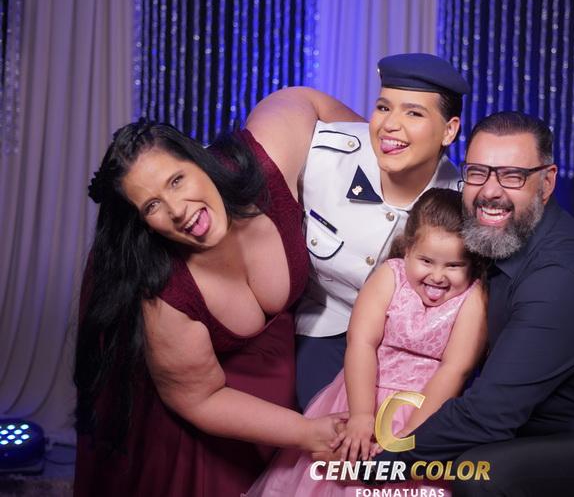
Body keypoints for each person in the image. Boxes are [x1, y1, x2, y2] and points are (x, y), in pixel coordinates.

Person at [73, 91, 360, 497]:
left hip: (285, 373)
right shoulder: (166, 293)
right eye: (152, 205)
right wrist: (307, 432)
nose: (177, 209)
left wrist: (396, 175)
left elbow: (306, 101)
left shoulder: (266, 165)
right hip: (210, 412)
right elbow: (200, 398)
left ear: (199, 158)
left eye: (177, 180)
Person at [373, 112, 574, 496]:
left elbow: (488, 414)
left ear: (547, 182)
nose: (490, 191)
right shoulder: (493, 238)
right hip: (531, 429)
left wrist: (383, 464)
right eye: (478, 173)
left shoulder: (557, 277)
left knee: (479, 474)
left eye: (512, 176)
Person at [245, 53, 471, 410]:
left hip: (409, 346)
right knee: (327, 426)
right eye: (383, 108)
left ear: (449, 130)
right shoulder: (323, 157)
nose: (390, 125)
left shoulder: (461, 205)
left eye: (413, 113)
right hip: (324, 327)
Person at [245, 188, 487, 496]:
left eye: (453, 266)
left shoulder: (473, 297)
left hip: (427, 407)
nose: (438, 276)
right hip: (363, 393)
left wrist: (412, 436)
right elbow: (361, 343)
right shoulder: (390, 276)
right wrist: (361, 415)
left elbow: (454, 369)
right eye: (426, 261)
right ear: (408, 250)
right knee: (337, 469)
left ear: (470, 264)